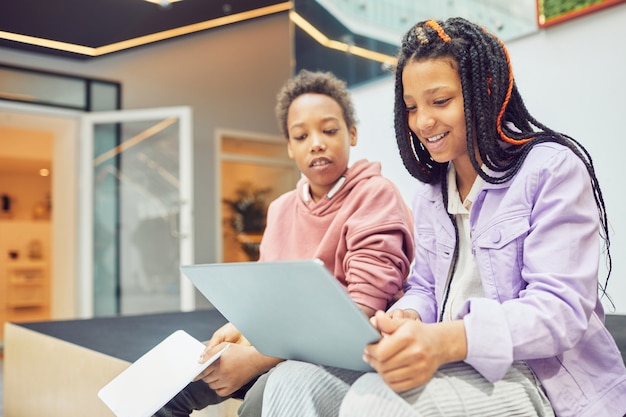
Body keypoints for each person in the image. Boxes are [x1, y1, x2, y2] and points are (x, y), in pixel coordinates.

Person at [260, 17, 626, 417]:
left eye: (440, 102)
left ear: (483, 92)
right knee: (291, 381)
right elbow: (425, 287)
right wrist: (408, 315)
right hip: (451, 362)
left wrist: (447, 340)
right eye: (412, 107)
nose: (422, 122)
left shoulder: (552, 170)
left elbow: (560, 312)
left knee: (378, 403)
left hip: (537, 377)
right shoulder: (432, 194)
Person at [153, 69, 415, 417]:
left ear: (352, 134)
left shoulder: (376, 195)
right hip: (282, 347)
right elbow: (270, 301)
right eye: (301, 136)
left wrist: (254, 360)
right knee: (169, 383)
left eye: (329, 130)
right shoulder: (281, 209)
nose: (316, 143)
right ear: (290, 147)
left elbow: (358, 315)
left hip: (346, 356)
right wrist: (240, 328)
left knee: (264, 400)